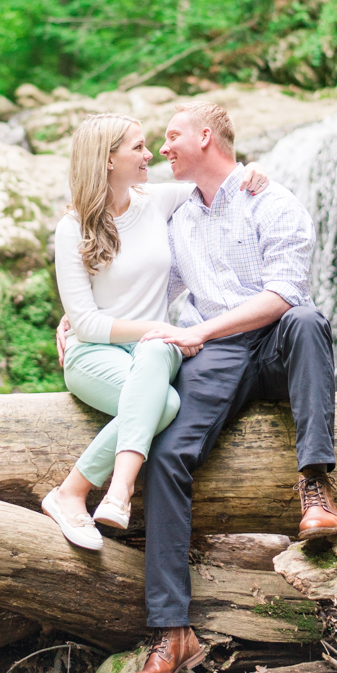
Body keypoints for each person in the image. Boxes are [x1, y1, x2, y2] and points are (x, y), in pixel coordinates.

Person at [116, 101, 337, 673]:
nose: (163, 148)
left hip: (273, 342)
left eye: (171, 136)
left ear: (207, 137)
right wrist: (82, 320)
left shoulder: (273, 199)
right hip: (214, 352)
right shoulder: (177, 216)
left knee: (310, 321)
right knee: (166, 460)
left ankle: (316, 487)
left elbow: (286, 293)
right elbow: (142, 287)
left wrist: (201, 330)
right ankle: (173, 631)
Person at [43, 112, 269, 551]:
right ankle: (74, 492)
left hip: (155, 350)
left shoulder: (159, 201)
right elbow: (87, 324)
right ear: (108, 160)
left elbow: (220, 180)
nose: (151, 155)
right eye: (138, 147)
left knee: (160, 377)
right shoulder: (72, 229)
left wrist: (258, 171)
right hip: (94, 353)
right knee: (163, 403)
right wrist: (156, 326)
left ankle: (87, 492)